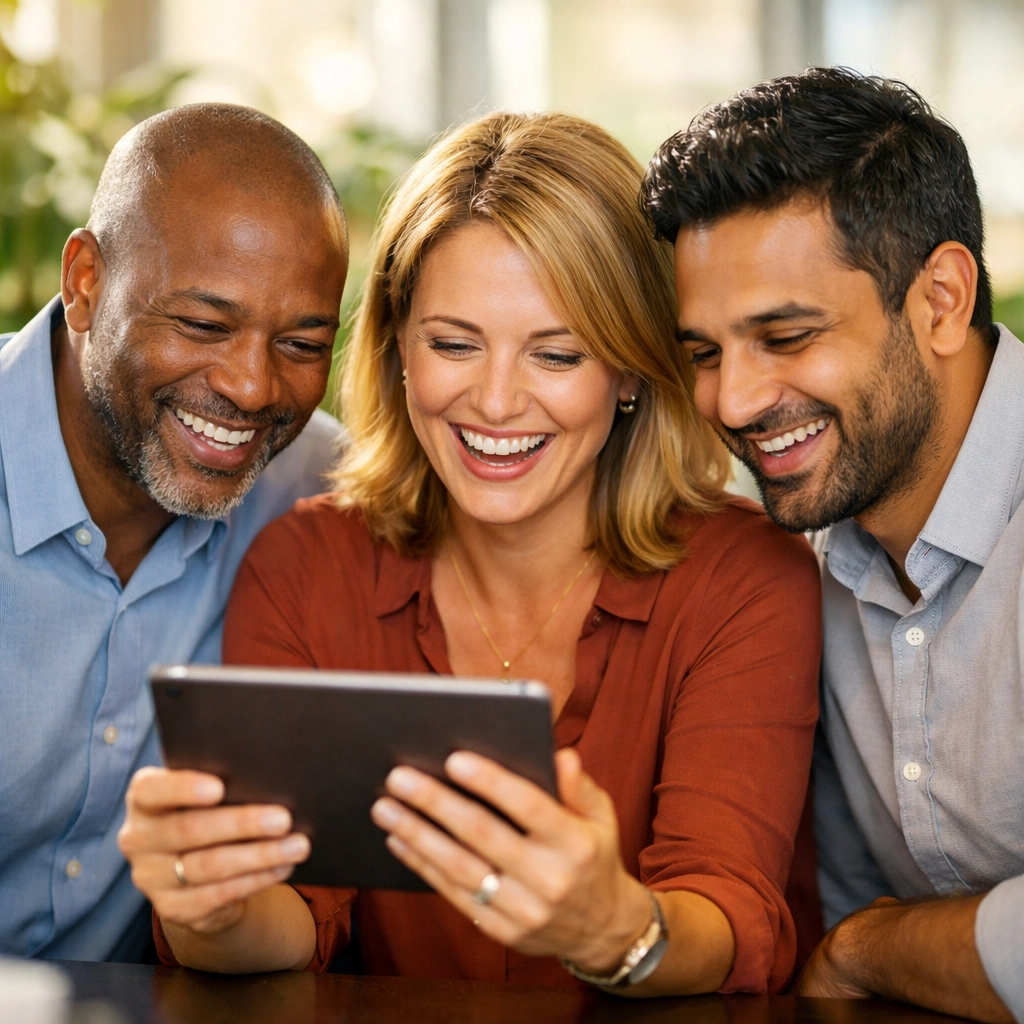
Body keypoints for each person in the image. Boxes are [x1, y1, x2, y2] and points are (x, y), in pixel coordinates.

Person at [118, 111, 822, 996]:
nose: (494, 402)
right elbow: (299, 917)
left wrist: (613, 927)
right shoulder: (306, 564)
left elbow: (730, 912)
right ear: (398, 347)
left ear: (635, 370)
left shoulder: (745, 580)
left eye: (557, 354)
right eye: (453, 344)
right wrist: (207, 910)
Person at [641, 68, 1023, 1023]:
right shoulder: (805, 547)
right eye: (705, 352)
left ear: (940, 298)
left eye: (788, 335)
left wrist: (868, 952)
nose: (733, 402)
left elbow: (853, 946)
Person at [0, 103, 349, 964]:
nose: (253, 386)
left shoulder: (320, 489)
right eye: (202, 325)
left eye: (302, 342)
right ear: (84, 283)